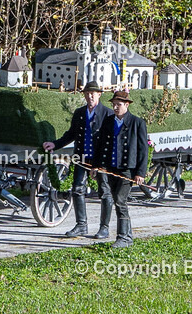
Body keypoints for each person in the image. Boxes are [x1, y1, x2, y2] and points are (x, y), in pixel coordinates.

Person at [42, 81, 113, 238]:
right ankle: (81, 225)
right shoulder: (80, 113)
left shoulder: (108, 114)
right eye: (87, 93)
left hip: (99, 159)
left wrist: (103, 163)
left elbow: (111, 141)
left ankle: (104, 227)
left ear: (99, 94)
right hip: (81, 157)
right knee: (77, 189)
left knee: (105, 191)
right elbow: (71, 134)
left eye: (93, 93)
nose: (90, 96)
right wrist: (55, 144)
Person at [93, 90, 148, 248]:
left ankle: (123, 237)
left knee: (120, 200)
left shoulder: (137, 123)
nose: (115, 107)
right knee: (116, 199)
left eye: (119, 104)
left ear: (127, 105)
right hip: (111, 167)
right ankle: (127, 236)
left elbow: (143, 150)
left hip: (127, 169)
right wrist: (96, 166)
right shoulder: (108, 122)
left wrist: (140, 173)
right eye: (114, 104)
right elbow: (101, 145)